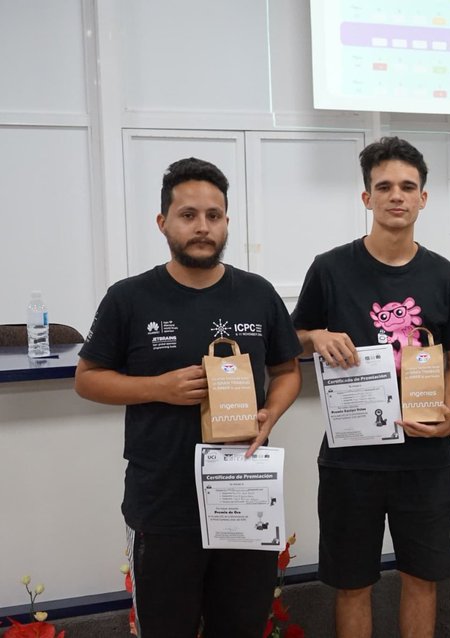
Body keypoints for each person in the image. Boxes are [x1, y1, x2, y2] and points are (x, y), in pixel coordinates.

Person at [75, 157, 302, 638]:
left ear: (226, 223)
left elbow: (286, 371)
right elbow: (88, 378)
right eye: (188, 215)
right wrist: (159, 388)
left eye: (214, 216)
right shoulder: (130, 298)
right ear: (163, 223)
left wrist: (270, 414)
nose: (203, 227)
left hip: (243, 492)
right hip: (164, 502)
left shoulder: (258, 294)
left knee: (241, 627)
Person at [291, 137, 450, 638]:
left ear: (423, 198)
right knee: (352, 583)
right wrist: (316, 336)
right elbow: (290, 341)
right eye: (384, 186)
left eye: (408, 186)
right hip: (352, 456)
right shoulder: (330, 269)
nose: (397, 195)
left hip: (426, 457)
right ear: (366, 197)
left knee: (422, 577)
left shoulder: (445, 276)